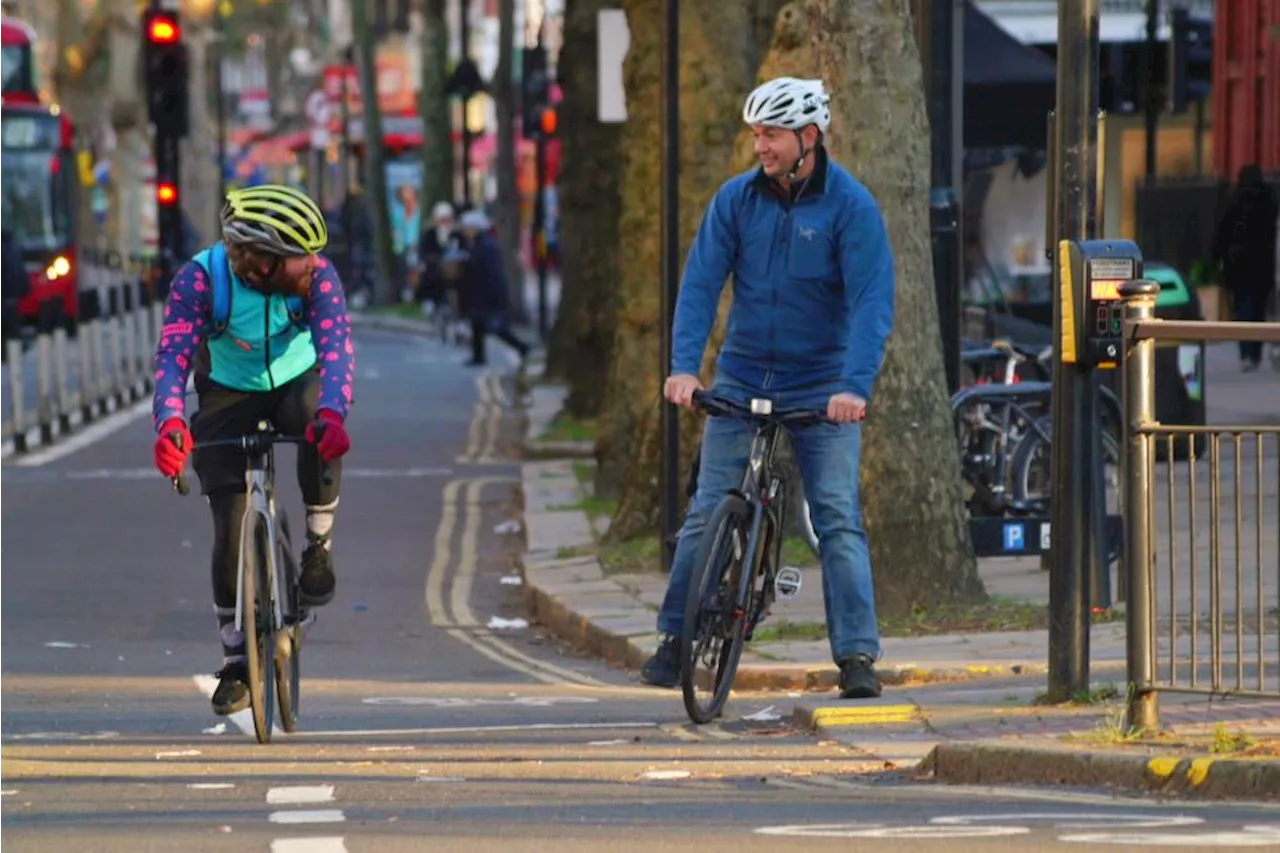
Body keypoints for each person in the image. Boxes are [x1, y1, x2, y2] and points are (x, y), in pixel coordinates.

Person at [639, 77, 895, 700]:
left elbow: (871, 301)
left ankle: (857, 657)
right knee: (707, 508)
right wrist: (682, 369)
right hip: (744, 374)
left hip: (821, 386)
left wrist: (854, 386)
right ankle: (675, 640)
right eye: (756, 133)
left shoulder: (850, 207)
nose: (761, 146)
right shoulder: (735, 201)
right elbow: (700, 284)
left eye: (772, 134)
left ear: (809, 138)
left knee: (836, 520)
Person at [150, 184, 356, 717]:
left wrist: (334, 413)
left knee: (316, 422)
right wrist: (170, 422)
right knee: (231, 518)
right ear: (263, 263)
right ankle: (237, 658)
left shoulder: (319, 279)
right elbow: (172, 357)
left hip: (296, 382)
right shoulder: (200, 280)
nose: (314, 263)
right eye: (299, 256)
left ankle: (317, 545)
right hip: (226, 390)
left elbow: (336, 350)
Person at [1213, 164, 1279, 371]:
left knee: (1243, 309)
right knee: (1258, 309)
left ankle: (1246, 353)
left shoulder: (1235, 199)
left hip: (1239, 264)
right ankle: (1255, 353)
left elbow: (1222, 232)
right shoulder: (1269, 200)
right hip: (1263, 263)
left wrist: (1216, 258)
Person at [455, 209, 530, 366]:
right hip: (482, 292)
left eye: (467, 227)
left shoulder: (485, 245)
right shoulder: (479, 242)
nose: (465, 231)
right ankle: (478, 356)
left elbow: (487, 270)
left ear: (475, 227)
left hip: (489, 293)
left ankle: (522, 347)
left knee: (497, 328)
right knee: (478, 324)